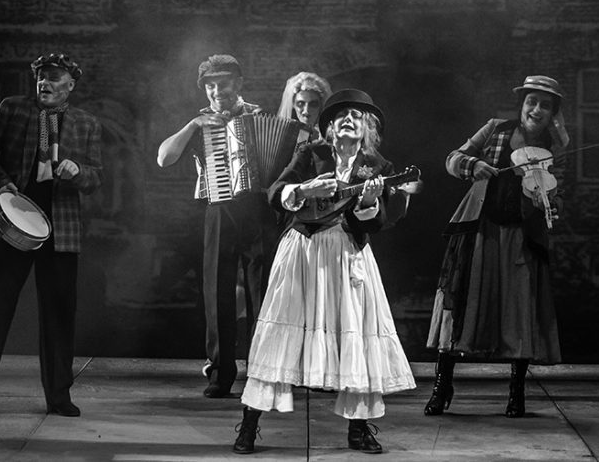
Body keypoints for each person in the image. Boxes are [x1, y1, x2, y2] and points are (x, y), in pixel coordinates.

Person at [232, 89, 421, 455]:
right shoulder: (310, 153)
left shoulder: (377, 166)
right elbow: (276, 191)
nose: (348, 119)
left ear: (366, 128)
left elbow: (381, 220)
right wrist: (304, 188)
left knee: (357, 335)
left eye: (356, 115)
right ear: (331, 127)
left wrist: (369, 203)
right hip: (303, 249)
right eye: (341, 115)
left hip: (348, 253)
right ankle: (249, 424)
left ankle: (359, 429)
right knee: (279, 333)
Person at [0, 52, 103, 417]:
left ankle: (58, 397)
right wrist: (0, 183)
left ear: (71, 85)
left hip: (61, 229)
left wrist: (78, 171)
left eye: (53, 78)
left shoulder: (86, 123)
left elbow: (96, 177)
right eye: (40, 77)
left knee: (59, 315)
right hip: (11, 222)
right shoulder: (13, 109)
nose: (44, 83)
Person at [424, 75, 567, 419]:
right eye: (532, 102)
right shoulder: (495, 129)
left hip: (521, 236)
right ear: (522, 104)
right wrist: (473, 165)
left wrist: (549, 199)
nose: (537, 110)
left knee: (520, 309)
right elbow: (453, 158)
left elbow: (559, 194)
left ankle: (517, 393)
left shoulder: (555, 146)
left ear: (553, 113)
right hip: (481, 229)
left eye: (545, 105)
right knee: (461, 303)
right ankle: (442, 387)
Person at [156, 54, 277, 398]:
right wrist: (193, 125)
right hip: (219, 209)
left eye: (222, 83)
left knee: (262, 293)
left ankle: (263, 371)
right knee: (217, 292)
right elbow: (164, 158)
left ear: (238, 84)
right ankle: (221, 373)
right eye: (210, 86)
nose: (216, 91)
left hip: (258, 210)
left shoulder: (260, 116)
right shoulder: (201, 122)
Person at [276, 71, 332, 143]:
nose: (306, 111)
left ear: (320, 106)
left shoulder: (330, 138)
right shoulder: (283, 137)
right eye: (300, 104)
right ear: (293, 105)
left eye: (313, 104)